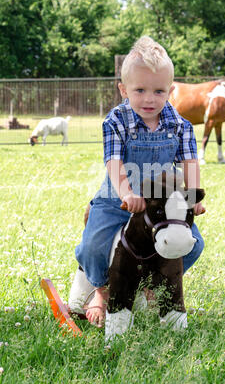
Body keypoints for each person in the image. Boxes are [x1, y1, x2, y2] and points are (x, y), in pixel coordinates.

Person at [74, 36, 205, 327]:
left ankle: (151, 283)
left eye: (159, 91)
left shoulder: (180, 126)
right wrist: (127, 192)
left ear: (170, 91)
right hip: (117, 199)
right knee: (95, 244)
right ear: (124, 90)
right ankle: (101, 291)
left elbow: (190, 163)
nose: (149, 99)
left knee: (192, 244)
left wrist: (192, 199)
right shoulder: (116, 121)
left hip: (160, 205)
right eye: (140, 90)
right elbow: (114, 161)